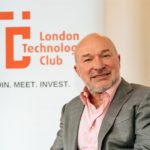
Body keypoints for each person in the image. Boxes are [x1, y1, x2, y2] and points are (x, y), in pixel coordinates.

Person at [50, 33, 150, 150]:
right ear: (77, 71)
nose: (98, 66)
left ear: (118, 60)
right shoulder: (70, 108)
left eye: (105, 56)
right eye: (88, 59)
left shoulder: (144, 97)